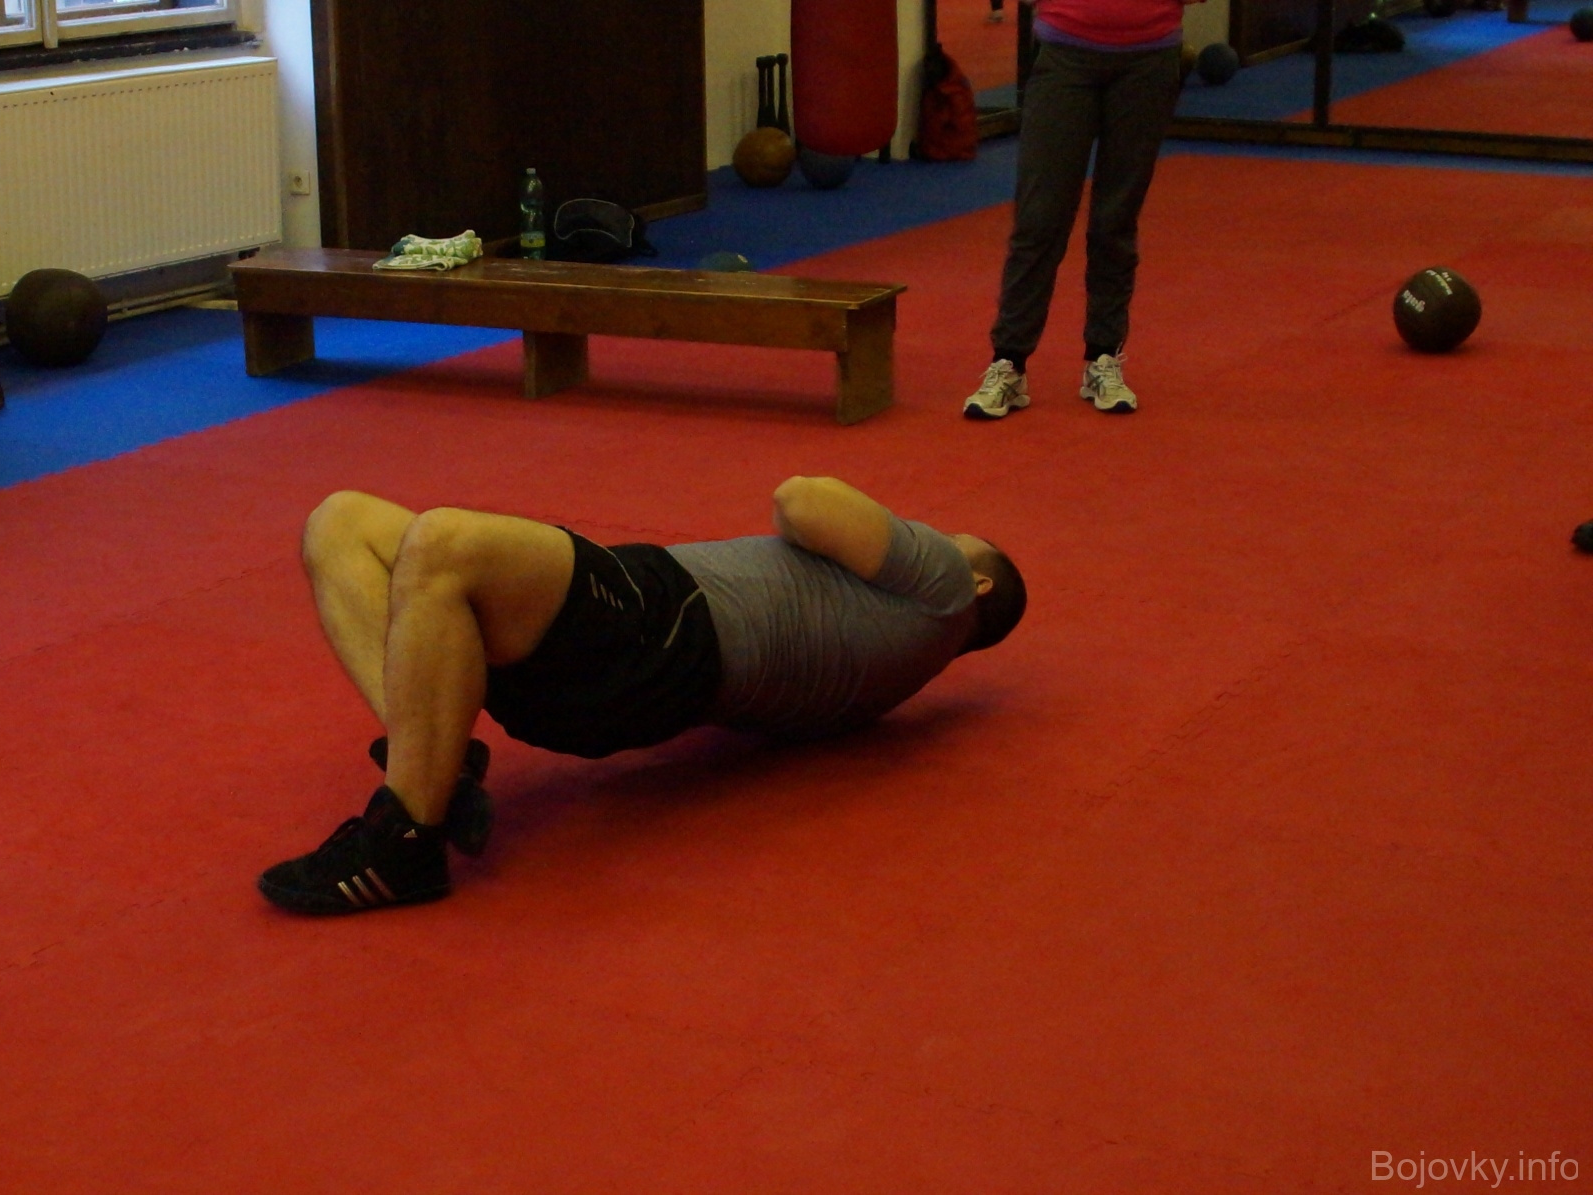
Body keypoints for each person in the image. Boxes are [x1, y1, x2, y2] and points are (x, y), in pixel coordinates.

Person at [258, 476, 1027, 915]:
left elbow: (802, 499)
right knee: (342, 523)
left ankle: (405, 842)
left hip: (665, 622)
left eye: (948, 537)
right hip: (638, 685)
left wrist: (907, 536)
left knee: (440, 542)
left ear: (979, 581)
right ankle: (435, 765)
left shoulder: (948, 587)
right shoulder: (897, 676)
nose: (929, 535)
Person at [963, 0, 1203, 421]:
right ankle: (1009, 362)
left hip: (1148, 58)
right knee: (1040, 217)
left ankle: (1103, 357)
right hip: (1065, 53)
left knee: (1115, 220)